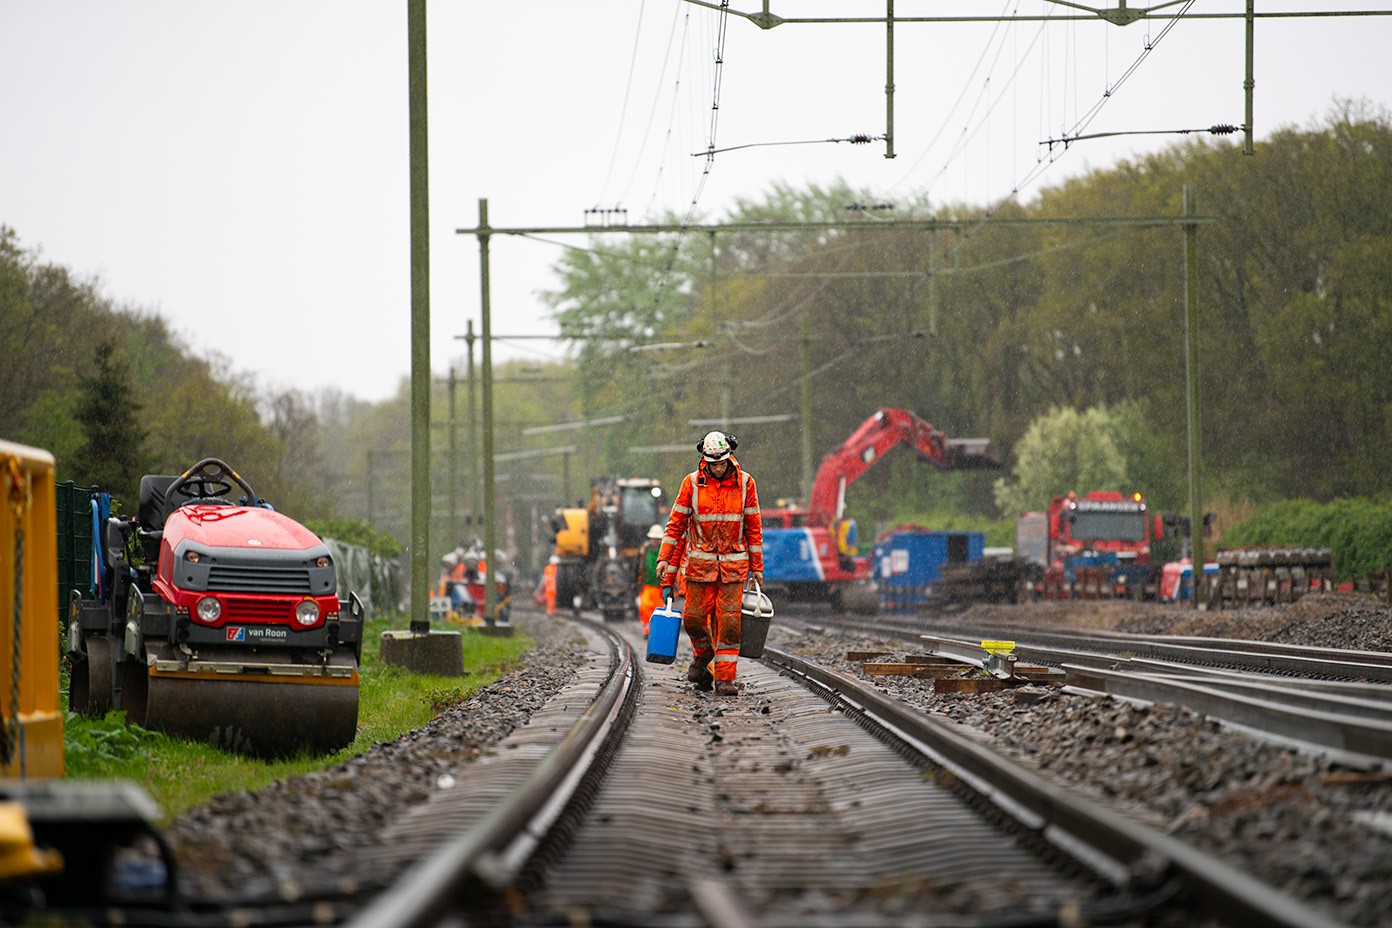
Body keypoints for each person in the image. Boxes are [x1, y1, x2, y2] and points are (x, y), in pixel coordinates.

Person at [656, 430, 763, 697]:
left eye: (721, 462)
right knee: (692, 619)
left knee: (729, 625)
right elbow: (676, 527)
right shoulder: (691, 484)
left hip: (733, 570)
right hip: (699, 569)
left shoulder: (746, 484)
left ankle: (725, 679)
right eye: (712, 462)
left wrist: (758, 567)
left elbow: (753, 527)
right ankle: (703, 656)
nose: (717, 467)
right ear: (704, 459)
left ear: (730, 457)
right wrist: (664, 560)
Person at [635, 524, 665, 635]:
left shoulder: (664, 551)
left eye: (657, 539)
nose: (655, 541)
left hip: (660, 587)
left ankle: (656, 632)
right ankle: (647, 631)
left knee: (658, 611)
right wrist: (635, 583)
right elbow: (638, 567)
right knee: (645, 608)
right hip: (646, 586)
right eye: (654, 538)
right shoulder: (644, 550)